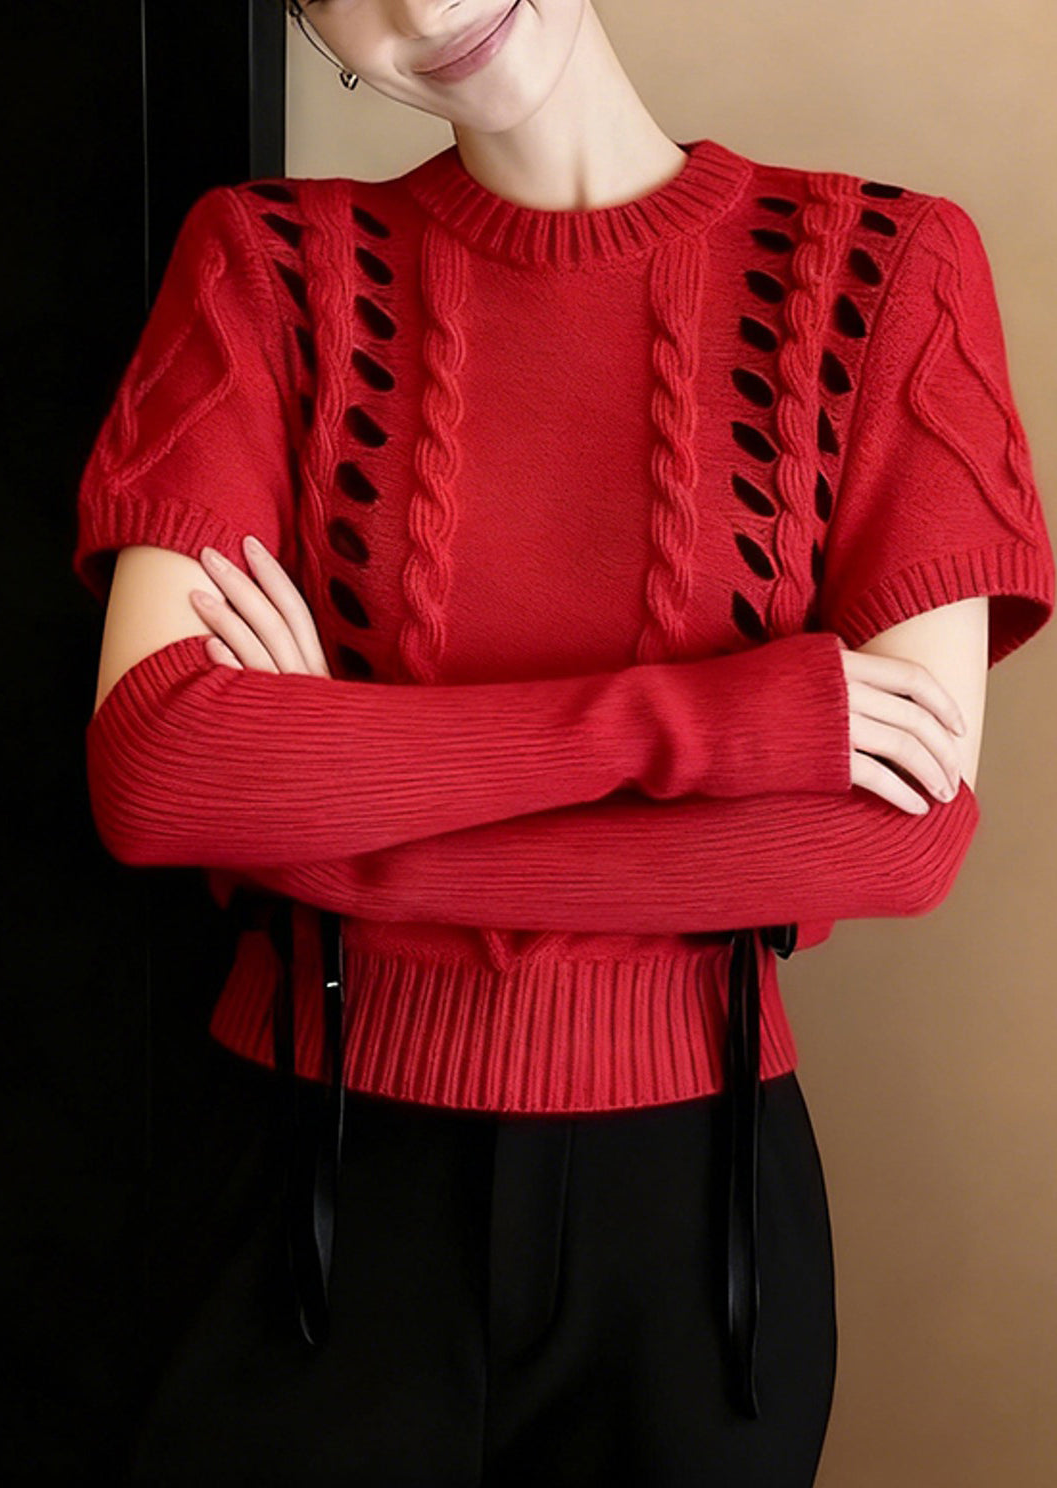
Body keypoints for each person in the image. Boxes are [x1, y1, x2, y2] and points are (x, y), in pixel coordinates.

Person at [72, 2, 1055, 1484]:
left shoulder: (885, 270)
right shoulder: (264, 268)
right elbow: (162, 776)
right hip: (297, 1186)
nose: (420, 5)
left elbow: (897, 837)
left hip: (695, 1222)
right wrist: (721, 722)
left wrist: (335, 822)